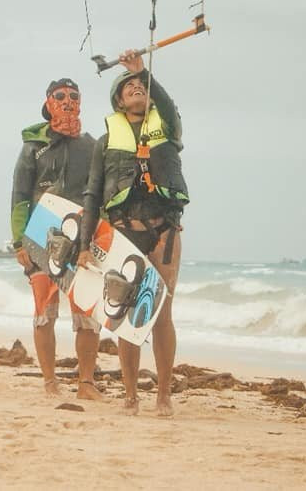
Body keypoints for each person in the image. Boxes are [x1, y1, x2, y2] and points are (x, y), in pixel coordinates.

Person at [78, 50, 189, 416]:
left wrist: (144, 72)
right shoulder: (107, 141)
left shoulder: (168, 128)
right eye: (129, 87)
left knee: (162, 313)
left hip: (163, 231)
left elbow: (169, 107)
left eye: (141, 86)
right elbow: (93, 193)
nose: (137, 88)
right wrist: (82, 244)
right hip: (124, 233)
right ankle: (130, 396)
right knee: (126, 315)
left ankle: (163, 396)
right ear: (118, 100)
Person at [10, 78, 103, 400]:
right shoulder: (33, 147)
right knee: (44, 311)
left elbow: (100, 196)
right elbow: (20, 196)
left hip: (82, 239)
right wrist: (18, 242)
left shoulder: (92, 147)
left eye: (74, 96)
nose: (67, 101)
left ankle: (86, 384)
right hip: (40, 236)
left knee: (87, 314)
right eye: (59, 96)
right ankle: (50, 380)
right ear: (48, 102)